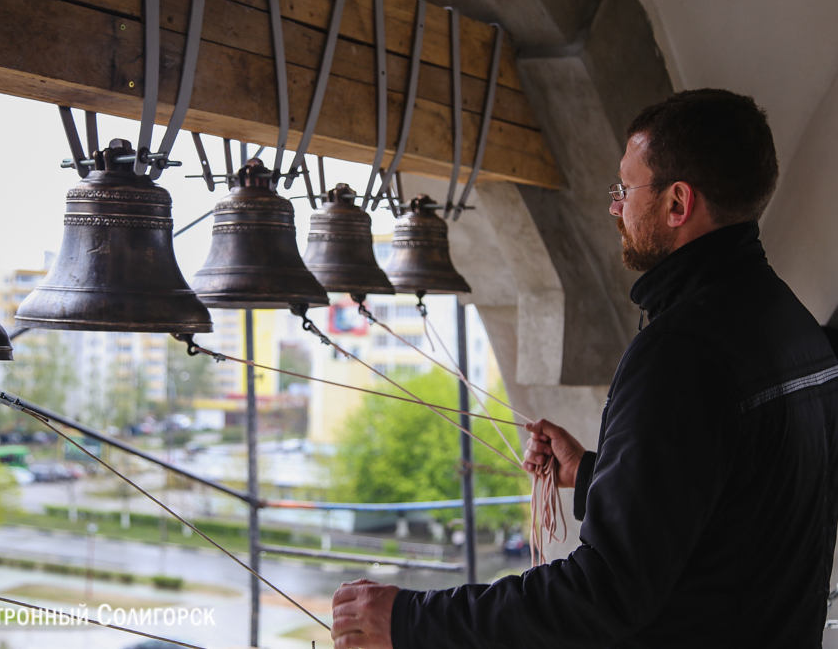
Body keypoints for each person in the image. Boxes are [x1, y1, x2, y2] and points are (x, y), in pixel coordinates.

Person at [330, 89, 838, 648]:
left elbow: (602, 593)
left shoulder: (681, 353)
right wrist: (599, 473)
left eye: (625, 189)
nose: (615, 208)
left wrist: (409, 619)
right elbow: (737, 497)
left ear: (677, 203)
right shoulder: (791, 324)